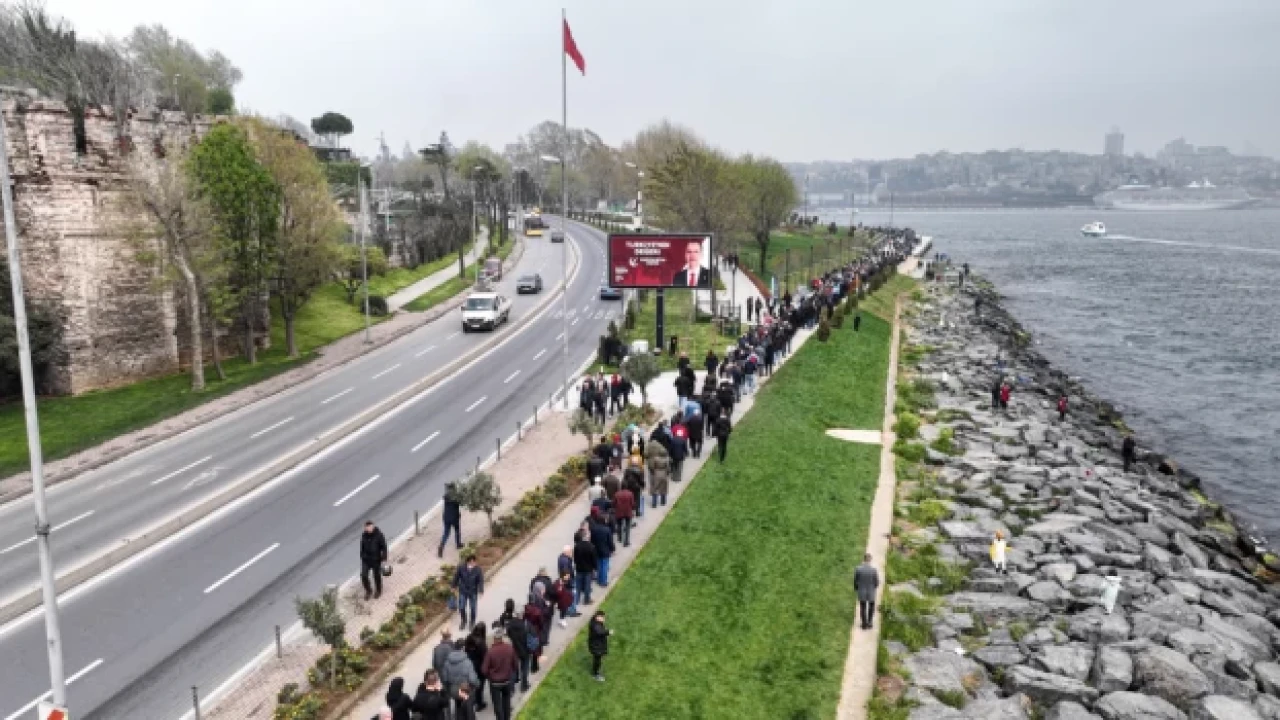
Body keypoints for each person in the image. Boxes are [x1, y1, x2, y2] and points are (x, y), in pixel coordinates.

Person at [482, 630, 519, 720]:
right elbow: (516, 664)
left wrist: (490, 676)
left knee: (497, 704)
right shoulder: (509, 648)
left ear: (494, 639)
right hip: (507, 680)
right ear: (501, 638)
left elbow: (484, 670)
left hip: (495, 683)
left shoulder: (490, 652)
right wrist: (510, 672)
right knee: (507, 701)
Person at [441, 638, 478, 710]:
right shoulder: (467, 662)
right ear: (463, 648)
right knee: (468, 709)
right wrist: (477, 684)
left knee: (458, 706)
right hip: (465, 689)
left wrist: (449, 688)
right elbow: (472, 679)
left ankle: (458, 713)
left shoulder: (447, 662)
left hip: (454, 690)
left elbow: (445, 678)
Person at [452, 555, 485, 630]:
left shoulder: (478, 569)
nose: (473, 564)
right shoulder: (461, 568)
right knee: (462, 607)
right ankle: (464, 621)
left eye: (474, 562)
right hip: (463, 590)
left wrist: (481, 590)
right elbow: (456, 577)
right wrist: (453, 586)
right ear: (468, 562)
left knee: (473, 608)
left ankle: (472, 622)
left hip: (473, 591)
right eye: (471, 562)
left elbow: (480, 580)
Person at [503, 608, 531, 692]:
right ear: (522, 614)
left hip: (514, 649)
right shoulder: (525, 625)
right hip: (525, 650)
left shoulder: (509, 625)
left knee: (513, 669)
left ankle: (511, 689)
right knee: (525, 668)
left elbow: (507, 635)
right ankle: (524, 685)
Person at [462, 623, 489, 711]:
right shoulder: (481, 642)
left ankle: (473, 699)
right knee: (479, 685)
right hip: (479, 666)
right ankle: (479, 703)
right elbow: (485, 656)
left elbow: (466, 650)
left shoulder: (469, 637)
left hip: (470, 664)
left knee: (472, 683)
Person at [359, 520, 388, 600]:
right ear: (365, 528)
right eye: (367, 527)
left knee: (377, 576)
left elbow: (384, 547)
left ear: (373, 526)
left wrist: (384, 558)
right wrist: (362, 556)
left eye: (370, 527)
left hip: (376, 559)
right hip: (366, 560)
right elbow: (362, 547)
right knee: (363, 575)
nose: (369, 528)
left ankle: (378, 590)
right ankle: (368, 591)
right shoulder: (364, 536)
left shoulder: (379, 535)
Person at [590, 509, 616, 586]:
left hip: (596, 549)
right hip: (605, 550)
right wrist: (613, 549)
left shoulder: (593, 529)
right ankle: (603, 581)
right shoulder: (607, 529)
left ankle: (599, 579)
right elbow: (610, 541)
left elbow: (592, 540)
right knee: (604, 566)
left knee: (599, 565)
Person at [854, 553, 879, 631]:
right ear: (870, 560)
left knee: (863, 607)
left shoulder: (858, 569)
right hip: (871, 591)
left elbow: (856, 581)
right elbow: (876, 582)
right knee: (871, 607)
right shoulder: (874, 570)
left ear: (864, 559)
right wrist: (874, 588)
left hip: (862, 591)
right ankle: (870, 622)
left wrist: (857, 588)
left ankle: (864, 624)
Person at [573, 530, 597, 605]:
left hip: (579, 568)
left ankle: (576, 600)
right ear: (587, 537)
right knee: (587, 585)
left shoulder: (577, 546)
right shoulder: (591, 547)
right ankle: (586, 600)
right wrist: (595, 568)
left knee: (578, 585)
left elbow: (575, 558)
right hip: (588, 569)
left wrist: (577, 564)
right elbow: (594, 559)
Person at [588, 610, 613, 682]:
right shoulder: (595, 625)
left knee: (598, 658)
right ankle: (595, 674)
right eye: (602, 617)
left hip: (597, 644)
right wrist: (608, 632)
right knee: (597, 660)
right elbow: (599, 632)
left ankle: (596, 671)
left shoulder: (596, 622)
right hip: (596, 646)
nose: (604, 619)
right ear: (597, 617)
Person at [439, 484, 463, 559]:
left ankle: (442, 545)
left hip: (446, 517)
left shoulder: (446, 497)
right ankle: (458, 544)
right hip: (454, 517)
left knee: (446, 533)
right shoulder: (456, 498)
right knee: (457, 530)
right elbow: (459, 504)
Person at [646, 438, 671, 507]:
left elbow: (652, 467)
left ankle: (654, 504)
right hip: (664, 474)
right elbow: (668, 468)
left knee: (655, 488)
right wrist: (667, 473)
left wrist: (653, 472)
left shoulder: (655, 459)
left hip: (656, 473)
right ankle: (663, 502)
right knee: (663, 488)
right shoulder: (667, 460)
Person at [613, 482, 636, 547]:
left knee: (619, 525)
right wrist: (633, 509)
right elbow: (632, 504)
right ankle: (626, 541)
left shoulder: (617, 494)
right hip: (628, 512)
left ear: (621, 486)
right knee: (628, 526)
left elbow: (614, 503)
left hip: (619, 512)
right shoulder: (630, 494)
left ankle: (619, 538)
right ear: (627, 486)